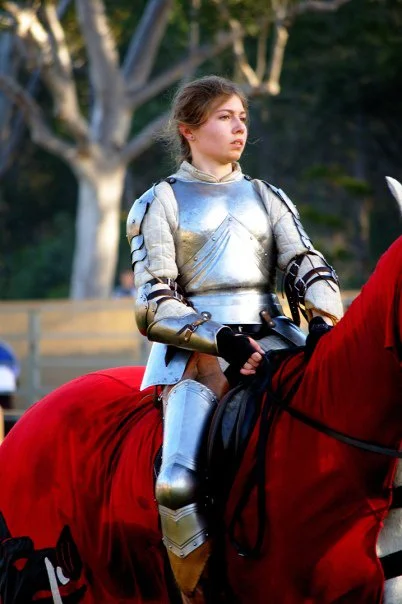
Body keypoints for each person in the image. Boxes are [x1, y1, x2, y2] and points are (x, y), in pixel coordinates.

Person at [126, 75, 343, 594]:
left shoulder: (266, 195)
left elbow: (307, 262)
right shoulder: (159, 201)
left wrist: (322, 317)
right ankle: (198, 595)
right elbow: (152, 301)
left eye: (242, 117)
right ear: (189, 130)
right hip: (198, 356)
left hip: (277, 340)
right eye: (225, 117)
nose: (239, 127)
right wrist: (223, 341)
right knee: (177, 485)